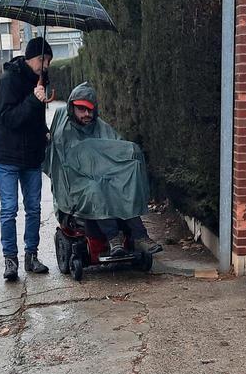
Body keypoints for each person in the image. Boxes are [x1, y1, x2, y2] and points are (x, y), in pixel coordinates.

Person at [45, 82, 161, 257]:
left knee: (121, 184)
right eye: (81, 109)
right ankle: (113, 238)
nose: (87, 114)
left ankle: (140, 236)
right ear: (72, 107)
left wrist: (131, 155)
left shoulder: (99, 126)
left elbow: (118, 147)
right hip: (74, 183)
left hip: (102, 177)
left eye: (90, 110)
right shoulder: (63, 128)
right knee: (95, 190)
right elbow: (58, 158)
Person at [0, 36, 53, 281]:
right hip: (7, 155)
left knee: (34, 208)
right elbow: (9, 119)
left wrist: (44, 130)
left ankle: (31, 256)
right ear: (31, 58)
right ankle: (10, 260)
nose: (46, 64)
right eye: (43, 59)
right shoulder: (9, 80)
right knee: (8, 209)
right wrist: (32, 99)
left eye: (48, 60)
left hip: (31, 156)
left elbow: (34, 118)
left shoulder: (40, 81)